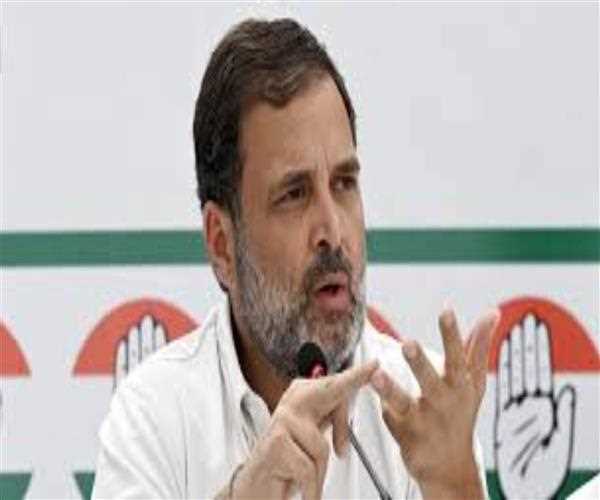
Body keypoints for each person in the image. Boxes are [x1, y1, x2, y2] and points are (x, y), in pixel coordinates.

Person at [91, 18, 499, 500]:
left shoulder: (421, 414)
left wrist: (456, 486)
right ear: (222, 244)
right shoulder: (154, 417)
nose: (333, 232)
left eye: (344, 183)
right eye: (294, 194)